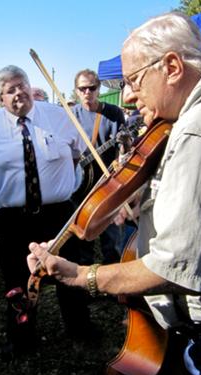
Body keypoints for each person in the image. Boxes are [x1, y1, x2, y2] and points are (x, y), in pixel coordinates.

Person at [27, 11, 201, 375]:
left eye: (133, 80)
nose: (127, 96)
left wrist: (81, 275)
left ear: (172, 66)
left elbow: (177, 267)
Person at [0, 65, 90, 357]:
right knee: (17, 281)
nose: (19, 93)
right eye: (10, 90)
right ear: (0, 98)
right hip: (12, 219)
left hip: (58, 213)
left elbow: (80, 150)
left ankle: (80, 329)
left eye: (23, 85)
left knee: (70, 275)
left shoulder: (57, 116)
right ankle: (21, 339)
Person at [72, 69, 125, 265]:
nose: (87, 92)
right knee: (83, 234)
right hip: (79, 187)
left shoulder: (113, 113)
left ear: (99, 88)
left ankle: (114, 279)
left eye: (92, 88)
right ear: (77, 91)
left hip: (106, 183)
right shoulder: (70, 115)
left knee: (111, 236)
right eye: (82, 88)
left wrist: (124, 145)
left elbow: (123, 147)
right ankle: (84, 278)